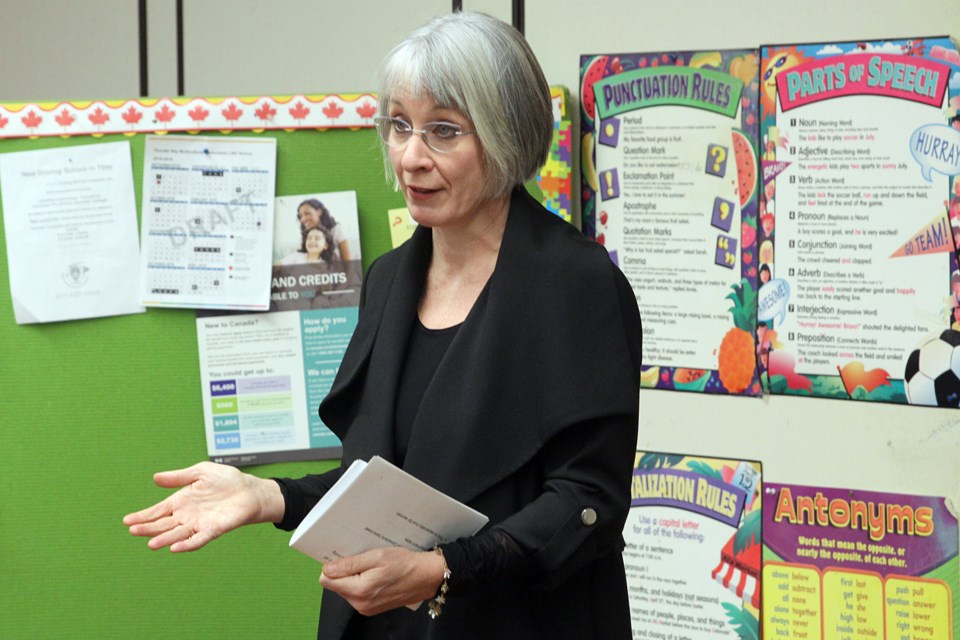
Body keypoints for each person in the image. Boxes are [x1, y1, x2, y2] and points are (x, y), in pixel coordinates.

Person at [124, 11, 642, 640]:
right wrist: (269, 498)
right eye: (400, 125)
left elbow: (587, 504)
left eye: (443, 131)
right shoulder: (391, 278)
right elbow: (381, 485)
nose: (410, 157)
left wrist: (442, 570)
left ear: (507, 136)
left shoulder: (574, 284)